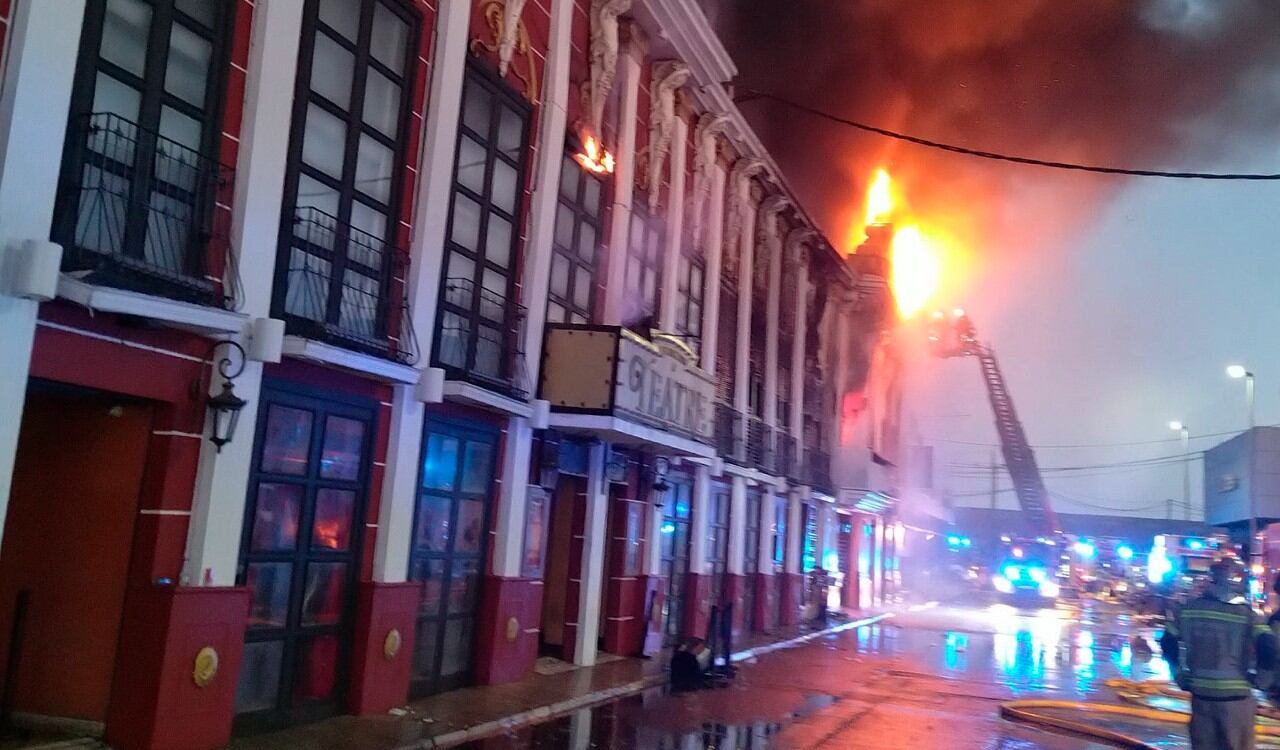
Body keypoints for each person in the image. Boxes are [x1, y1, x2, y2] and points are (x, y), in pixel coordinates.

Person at [1167, 557, 1274, 750]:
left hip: (1201, 699)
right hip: (1236, 702)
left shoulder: (1188, 610)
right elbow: (1269, 646)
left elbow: (1167, 642)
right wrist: (1263, 681)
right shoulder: (1247, 615)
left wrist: (1178, 674)